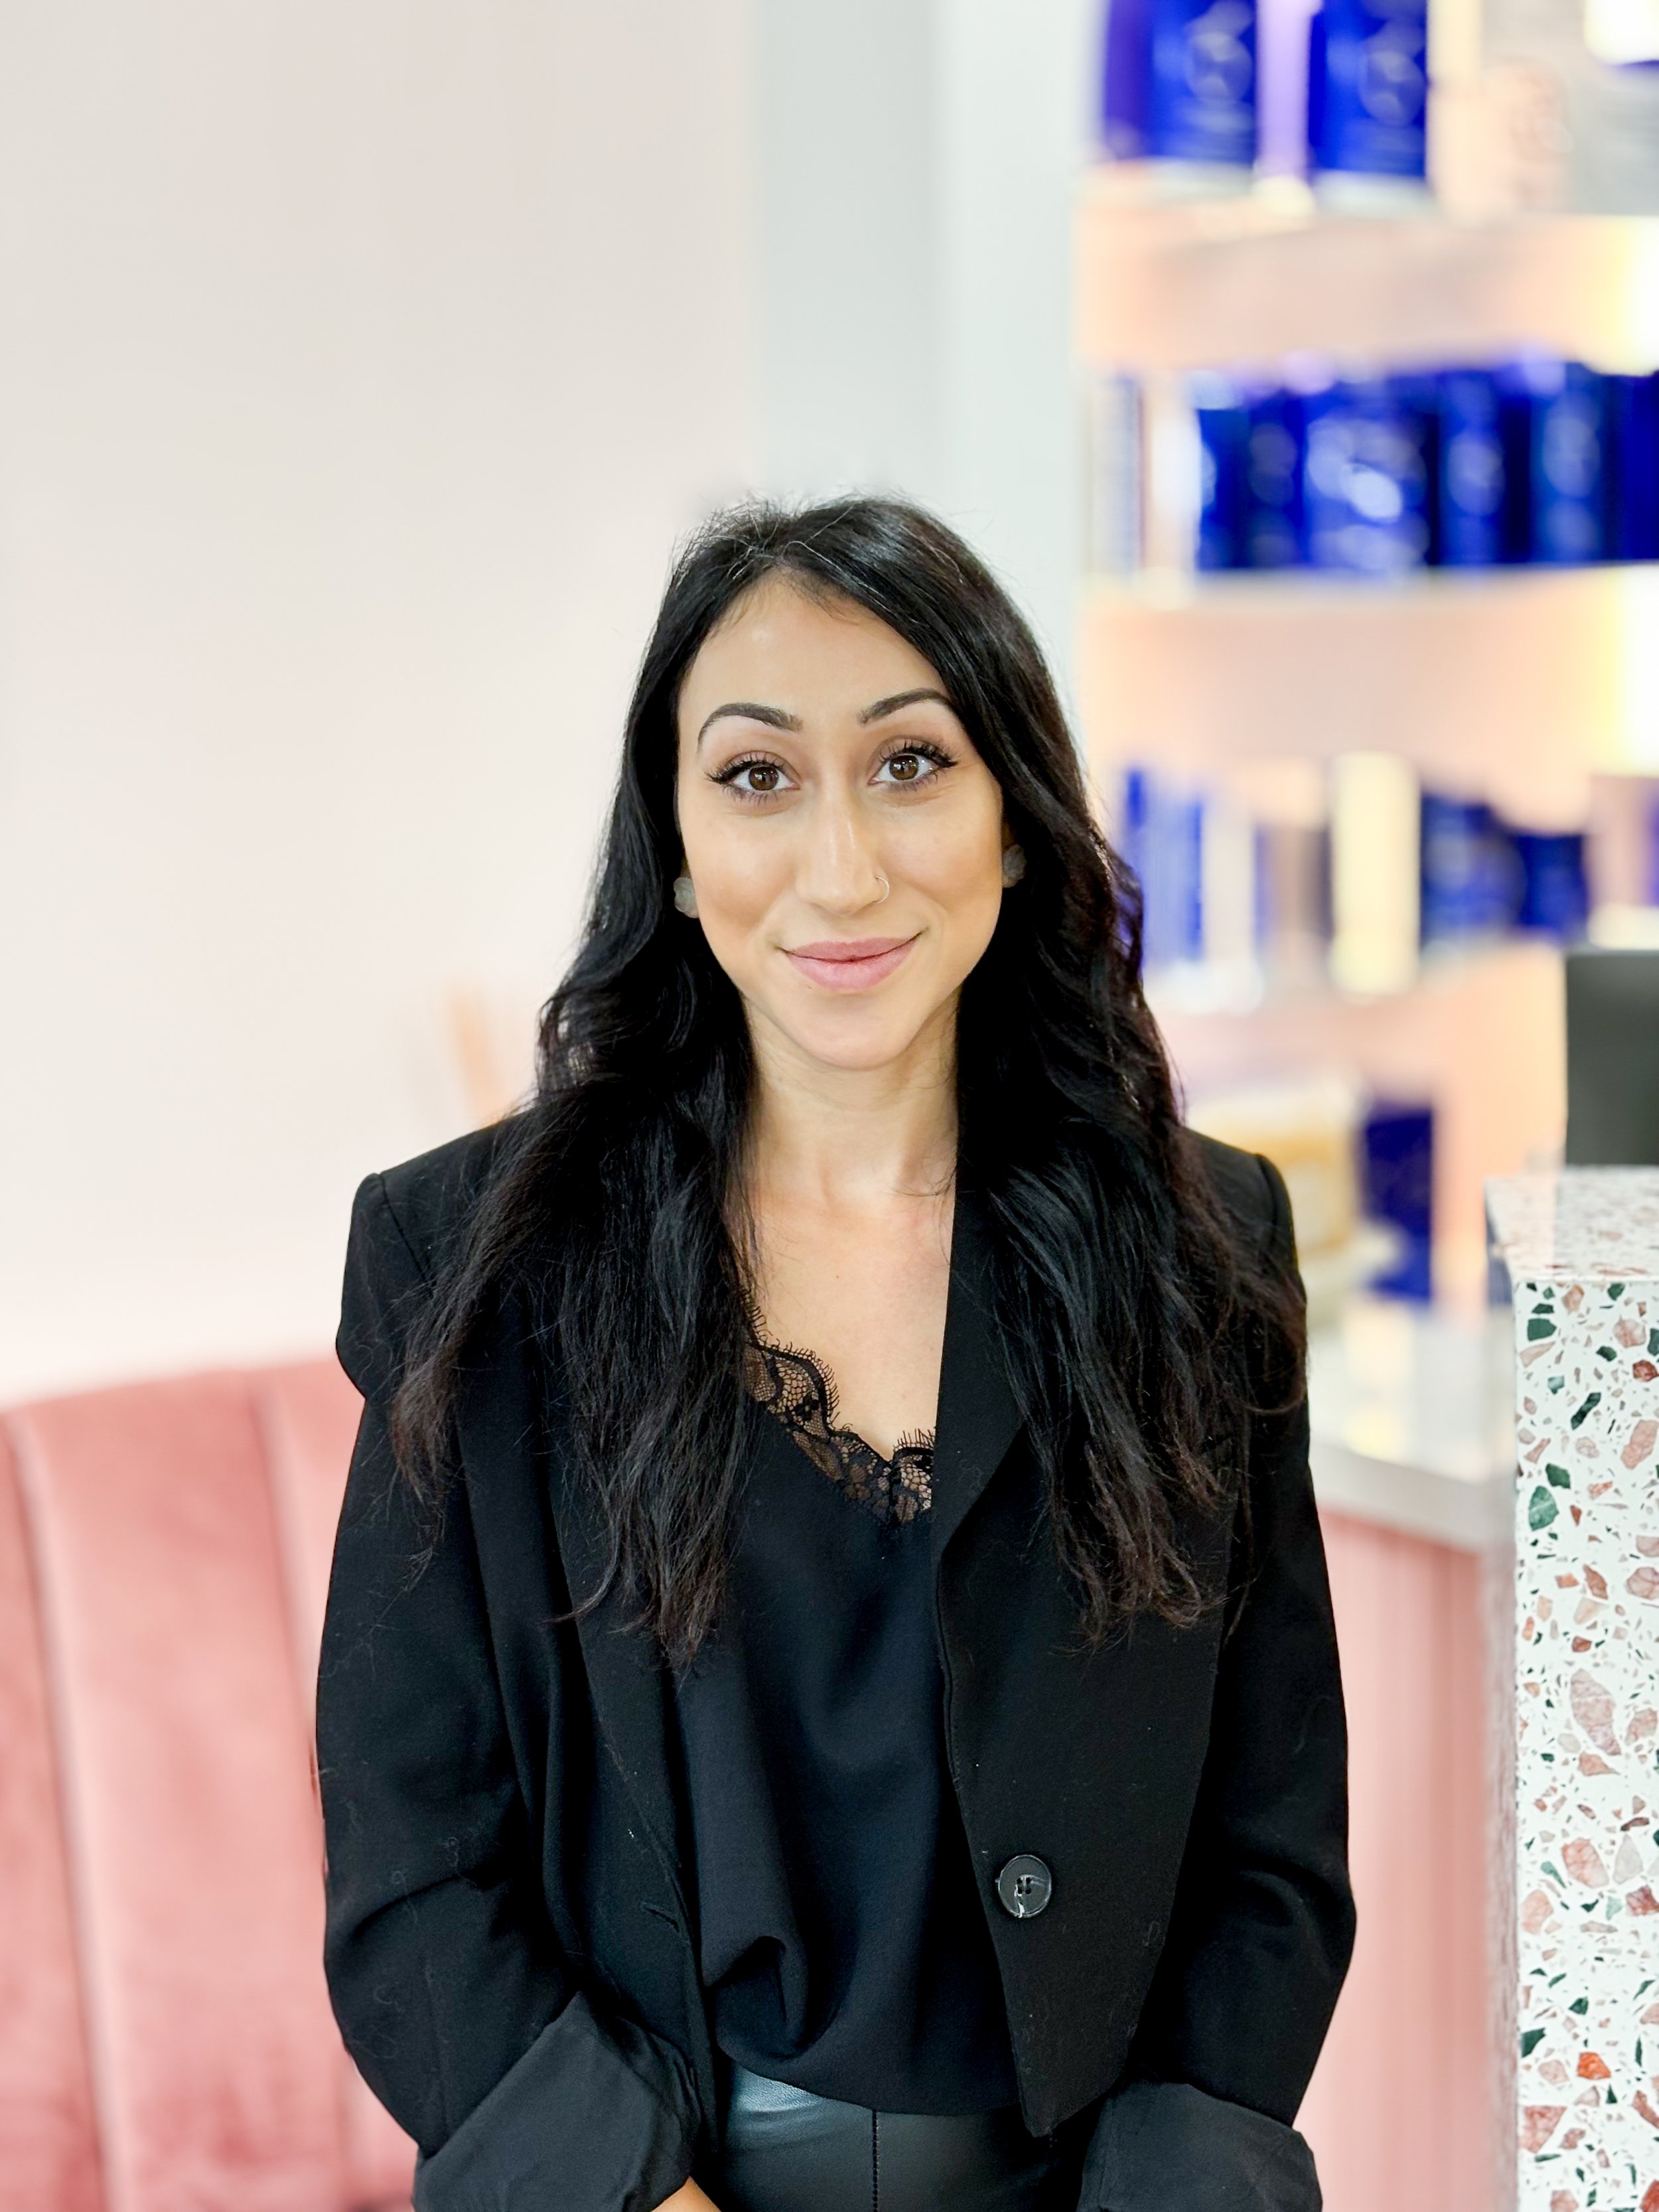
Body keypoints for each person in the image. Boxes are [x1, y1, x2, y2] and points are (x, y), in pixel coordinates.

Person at [317, 497, 1354, 2212]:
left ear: (1013, 823)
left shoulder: (1199, 1247)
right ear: (673, 846)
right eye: (756, 776)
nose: (843, 867)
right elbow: (411, 1866)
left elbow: (1271, 1854)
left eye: (910, 764)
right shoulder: (473, 1264)